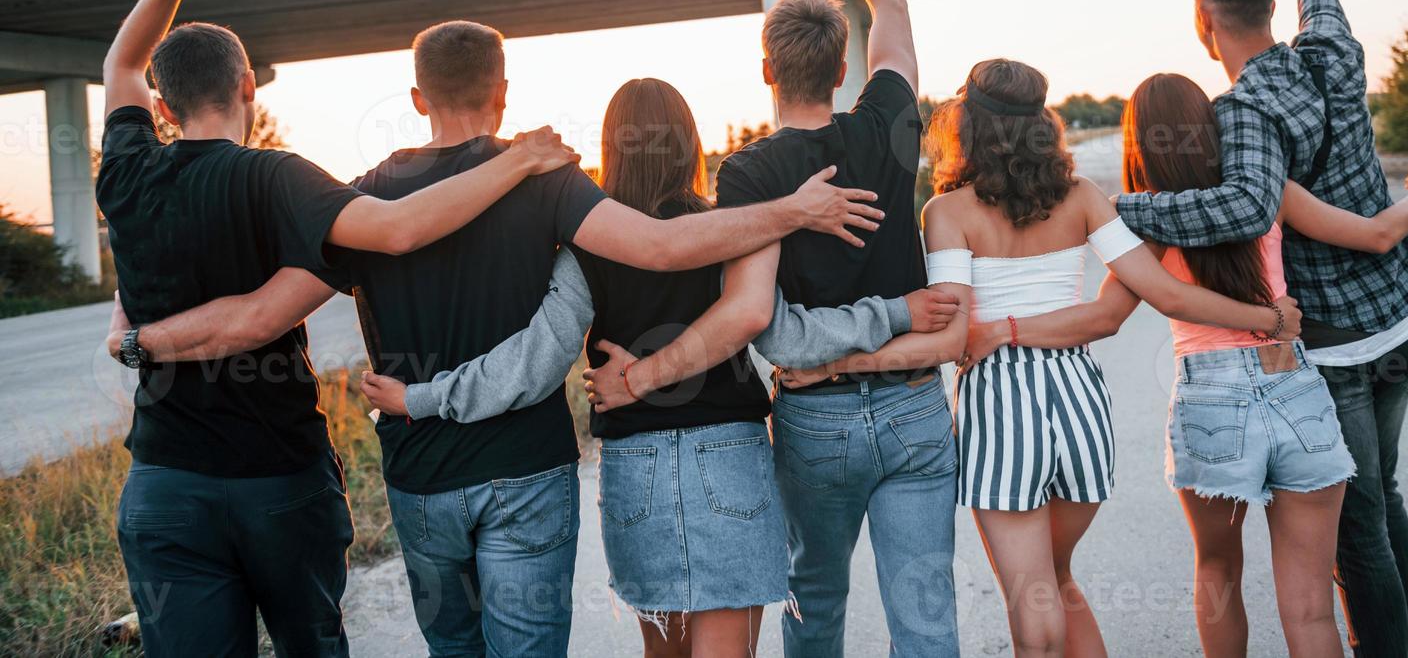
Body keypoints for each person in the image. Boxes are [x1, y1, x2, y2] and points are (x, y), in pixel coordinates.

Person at [108, 18, 882, 657]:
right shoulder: (544, 180)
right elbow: (661, 246)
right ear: (503, 92)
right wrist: (791, 211)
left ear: (417, 99)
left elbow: (269, 310)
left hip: (419, 474)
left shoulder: (365, 195)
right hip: (526, 472)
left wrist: (140, 333)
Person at [98, 0, 584, 657]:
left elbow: (120, 59)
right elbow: (391, 232)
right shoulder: (274, 177)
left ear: (159, 103)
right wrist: (521, 157)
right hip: (275, 478)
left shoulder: (124, 168)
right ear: (249, 87)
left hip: (163, 481)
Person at [358, 77, 959, 657]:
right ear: (690, 143)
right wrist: (894, 313)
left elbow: (536, 360)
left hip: (634, 466)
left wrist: (424, 398)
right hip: (729, 456)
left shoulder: (585, 250)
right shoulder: (733, 228)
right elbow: (780, 329)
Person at [784, 58, 1301, 658]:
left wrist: (833, 366)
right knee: (1058, 580)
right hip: (1079, 399)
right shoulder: (1082, 198)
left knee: (1033, 607)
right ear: (1042, 124)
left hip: (1003, 409)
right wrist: (1270, 319)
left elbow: (954, 340)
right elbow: (1150, 300)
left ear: (967, 128)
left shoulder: (948, 214)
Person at [585, 0, 966, 657]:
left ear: (767, 70)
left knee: (813, 602)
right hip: (915, 411)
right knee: (925, 618)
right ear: (842, 66)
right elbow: (889, 1)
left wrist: (641, 376)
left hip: (816, 417)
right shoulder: (889, 124)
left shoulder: (749, 174)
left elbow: (751, 312)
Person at [966, 72, 1408, 658]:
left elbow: (1102, 318)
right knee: (1312, 608)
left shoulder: (1151, 223)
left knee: (1218, 572)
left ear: (1139, 146)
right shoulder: (1270, 193)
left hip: (1212, 402)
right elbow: (1378, 234)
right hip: (1294, 386)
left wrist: (1003, 331)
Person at [1114, 0, 1408, 658]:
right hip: (1406, 317)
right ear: (1270, 3)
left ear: (1203, 23)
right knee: (1379, 491)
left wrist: (1120, 214)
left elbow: (1242, 210)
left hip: (1337, 343)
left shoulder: (1240, 113)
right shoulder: (1331, 48)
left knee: (1356, 528)